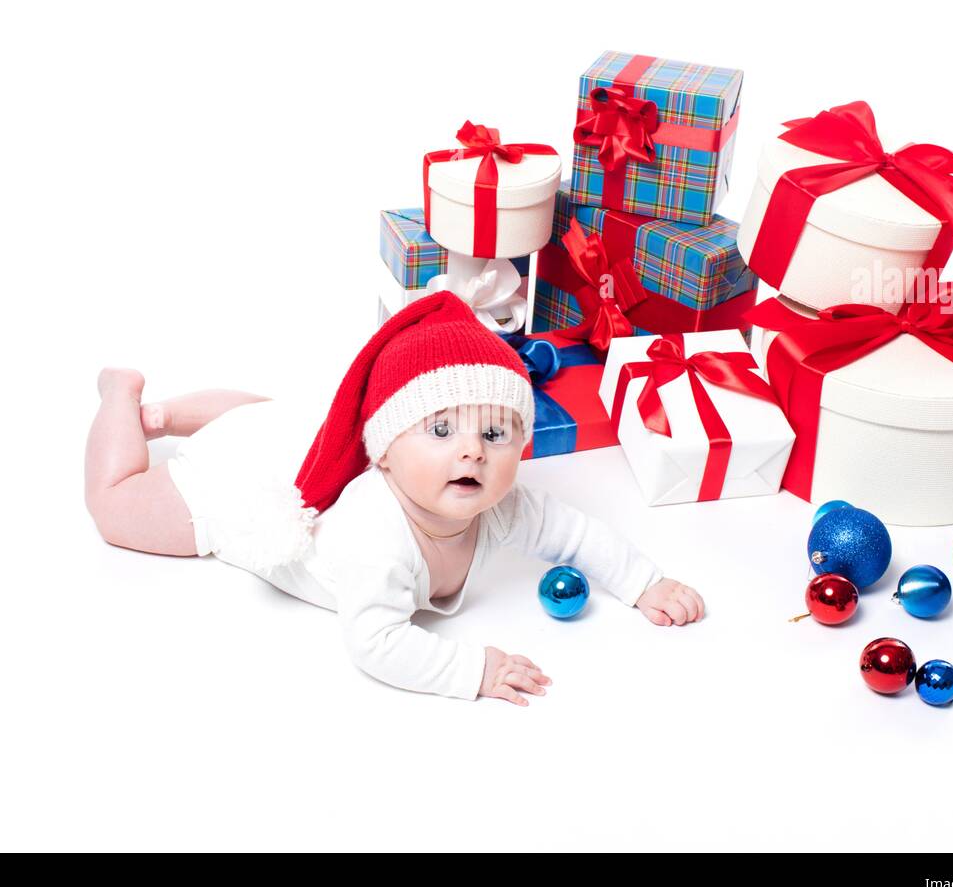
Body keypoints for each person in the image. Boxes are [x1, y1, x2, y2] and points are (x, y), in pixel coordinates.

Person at [84, 291, 705, 705]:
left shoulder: (500, 507)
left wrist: (643, 583)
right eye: (440, 431)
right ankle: (126, 399)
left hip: (286, 433)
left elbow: (577, 534)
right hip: (243, 478)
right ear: (380, 449)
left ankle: (165, 413)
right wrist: (474, 672)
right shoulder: (374, 537)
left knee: (272, 416)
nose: (473, 453)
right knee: (117, 508)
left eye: (494, 433)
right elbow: (374, 642)